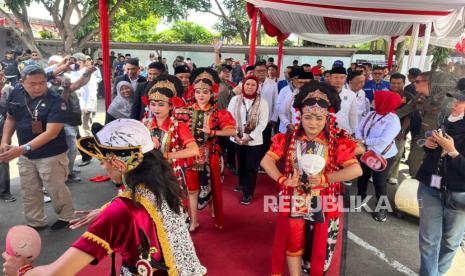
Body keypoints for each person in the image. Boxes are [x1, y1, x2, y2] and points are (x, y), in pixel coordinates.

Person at [2, 119, 207, 276]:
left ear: (120, 163)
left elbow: (56, 272)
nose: (102, 166)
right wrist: (105, 209)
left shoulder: (121, 211)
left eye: (102, 160)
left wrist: (22, 269)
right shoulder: (162, 188)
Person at [260, 82, 362, 276]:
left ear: (327, 117)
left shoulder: (337, 139)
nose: (312, 123)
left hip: (324, 202)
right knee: (294, 242)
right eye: (307, 117)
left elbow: (356, 170)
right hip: (295, 199)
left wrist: (325, 178)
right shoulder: (288, 137)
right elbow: (266, 161)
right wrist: (282, 180)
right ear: (300, 116)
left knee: (321, 249)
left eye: (318, 118)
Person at [0, 65, 74, 230]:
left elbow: (52, 133)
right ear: (22, 82)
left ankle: (67, 217)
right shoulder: (16, 93)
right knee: (29, 189)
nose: (38, 87)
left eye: (42, 82)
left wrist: (21, 149)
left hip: (51, 153)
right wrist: (4, 141)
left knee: (56, 188)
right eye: (32, 83)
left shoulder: (56, 100)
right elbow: (11, 118)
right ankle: (35, 222)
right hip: (26, 154)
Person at [176, 69, 236, 231]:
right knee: (192, 189)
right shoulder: (184, 111)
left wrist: (213, 132)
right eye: (197, 92)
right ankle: (194, 220)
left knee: (211, 185)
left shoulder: (218, 113)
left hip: (210, 155)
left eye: (205, 92)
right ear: (193, 93)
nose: (201, 95)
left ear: (212, 94)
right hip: (191, 156)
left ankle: (212, 208)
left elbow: (233, 131)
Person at [416, 87, 465, 276]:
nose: (454, 103)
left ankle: (438, 272)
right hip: (430, 187)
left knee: (451, 242)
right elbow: (435, 151)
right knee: (428, 240)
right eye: (455, 100)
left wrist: (452, 151)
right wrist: (430, 146)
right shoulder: (447, 121)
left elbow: (452, 153)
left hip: (458, 195)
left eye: (460, 101)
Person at [142, 75, 199, 201]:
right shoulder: (145, 124)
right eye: (153, 104)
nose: (156, 108)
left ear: (171, 106)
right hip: (149, 172)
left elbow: (194, 150)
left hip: (171, 173)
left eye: (161, 104)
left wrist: (166, 155)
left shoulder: (178, 126)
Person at [355, 91, 402, 222]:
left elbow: (384, 139)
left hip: (383, 155)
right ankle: (360, 198)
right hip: (365, 152)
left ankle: (382, 208)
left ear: (385, 102)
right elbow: (359, 127)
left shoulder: (393, 120)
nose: (373, 101)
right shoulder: (371, 113)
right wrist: (359, 139)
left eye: (376, 99)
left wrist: (364, 142)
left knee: (379, 182)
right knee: (362, 176)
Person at [228, 75, 269, 204]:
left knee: (251, 167)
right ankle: (241, 183)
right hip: (237, 138)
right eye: (247, 84)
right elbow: (230, 118)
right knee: (241, 163)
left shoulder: (263, 102)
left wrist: (249, 137)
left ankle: (248, 193)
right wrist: (236, 135)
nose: (250, 87)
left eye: (253, 85)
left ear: (257, 87)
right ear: (243, 85)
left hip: (254, 140)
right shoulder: (235, 100)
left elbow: (263, 123)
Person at [408, 71, 456, 177]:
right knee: (413, 161)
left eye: (418, 81)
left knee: (437, 171)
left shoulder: (448, 101)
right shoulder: (420, 96)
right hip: (424, 136)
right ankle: (417, 184)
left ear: (430, 83)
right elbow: (405, 110)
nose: (414, 83)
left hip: (441, 141)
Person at [387, 73, 415, 184]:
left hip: (400, 130)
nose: (396, 85)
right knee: (381, 153)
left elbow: (408, 116)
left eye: (399, 83)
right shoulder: (384, 94)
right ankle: (380, 173)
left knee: (397, 153)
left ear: (404, 83)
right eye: (393, 83)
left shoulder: (409, 97)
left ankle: (393, 174)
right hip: (384, 129)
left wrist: (402, 131)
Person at [330, 67, 359, 135]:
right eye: (335, 77)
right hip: (326, 132)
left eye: (342, 77)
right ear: (330, 78)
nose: (338, 80)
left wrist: (354, 132)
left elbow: (353, 116)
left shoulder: (351, 95)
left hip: (344, 131)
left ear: (345, 79)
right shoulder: (323, 93)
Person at [0, 71, 14, 202]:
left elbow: (11, 114)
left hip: (3, 131)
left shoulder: (8, 90)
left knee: (3, 160)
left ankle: (5, 191)